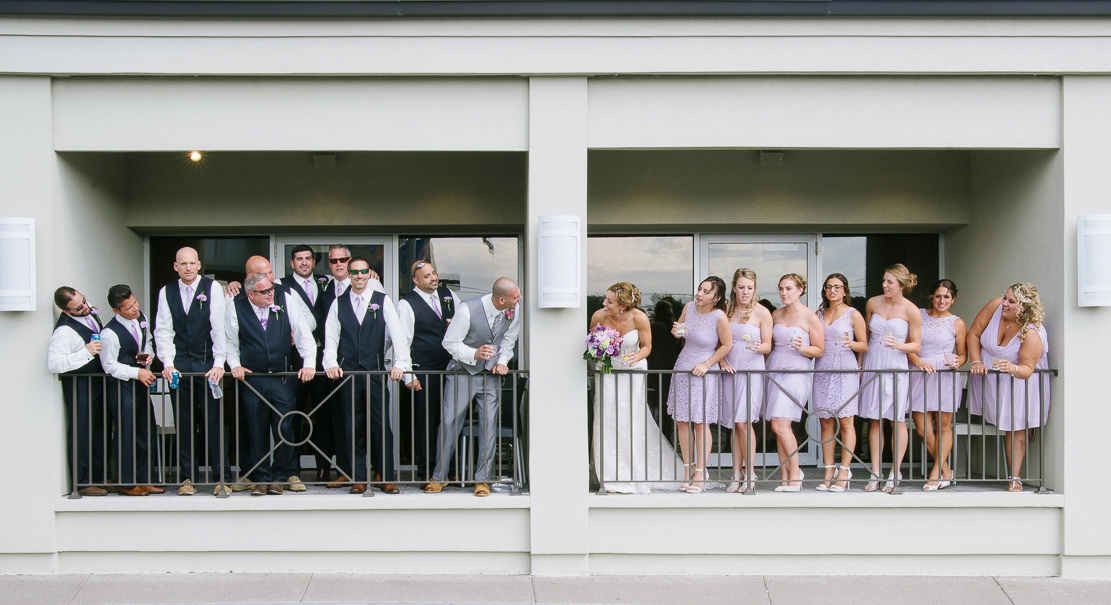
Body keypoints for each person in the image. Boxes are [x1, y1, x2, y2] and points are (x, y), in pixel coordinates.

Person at [425, 277, 523, 497]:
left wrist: (502, 362)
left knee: (489, 424)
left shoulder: (514, 310)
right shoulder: (467, 309)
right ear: (501, 299)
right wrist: (474, 354)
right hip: (462, 372)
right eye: (516, 296)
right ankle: (439, 476)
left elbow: (509, 340)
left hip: (490, 375)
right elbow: (449, 342)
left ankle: (483, 480)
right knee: (450, 421)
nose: (520, 299)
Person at [323, 257, 411, 494]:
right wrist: (331, 363)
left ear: (368, 273)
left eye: (363, 271)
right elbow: (331, 338)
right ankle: (358, 478)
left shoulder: (382, 300)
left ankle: (385, 477)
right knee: (352, 426)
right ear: (348, 275)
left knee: (381, 425)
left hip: (375, 373)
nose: (359, 276)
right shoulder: (338, 303)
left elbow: (399, 335)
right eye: (355, 272)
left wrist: (401, 364)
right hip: (348, 374)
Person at [225, 272, 317, 496]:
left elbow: (303, 333)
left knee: (284, 427)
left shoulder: (286, 300)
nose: (271, 294)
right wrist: (235, 365)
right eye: (265, 291)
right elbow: (229, 342)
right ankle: (262, 477)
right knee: (256, 429)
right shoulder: (236, 308)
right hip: (253, 379)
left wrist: (309, 363)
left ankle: (280, 476)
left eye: (271, 289)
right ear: (251, 294)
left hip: (281, 377)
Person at [590, 281, 681, 494]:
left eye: (609, 302)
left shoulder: (639, 317)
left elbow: (647, 346)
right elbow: (593, 343)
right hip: (608, 373)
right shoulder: (599, 316)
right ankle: (610, 476)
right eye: (605, 299)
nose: (604, 304)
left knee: (630, 420)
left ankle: (633, 472)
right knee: (607, 419)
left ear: (623, 306)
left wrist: (636, 356)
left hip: (632, 373)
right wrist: (598, 351)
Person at [153, 247, 230, 496]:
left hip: (207, 365)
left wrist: (219, 362)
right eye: (183, 264)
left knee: (213, 421)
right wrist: (168, 363)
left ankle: (222, 478)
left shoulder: (212, 288)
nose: (188, 268)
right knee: (184, 422)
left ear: (199, 265)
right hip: (180, 366)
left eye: (192, 263)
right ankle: (188, 478)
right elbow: (163, 330)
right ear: (176, 266)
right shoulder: (166, 291)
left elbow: (219, 327)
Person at [967, 282, 1049, 492]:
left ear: (1024, 306)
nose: (1004, 303)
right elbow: (973, 334)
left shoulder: (1032, 332)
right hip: (990, 378)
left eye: (1011, 301)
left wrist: (1013, 368)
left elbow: (1027, 368)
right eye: (1005, 297)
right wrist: (976, 361)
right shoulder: (995, 306)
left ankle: (1015, 478)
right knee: (1000, 421)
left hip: (1019, 382)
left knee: (1015, 427)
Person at [859, 264, 922, 492]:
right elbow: (865, 337)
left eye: (890, 282)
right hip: (873, 362)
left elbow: (917, 344)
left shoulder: (911, 310)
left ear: (901, 285)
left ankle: (895, 472)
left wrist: (900, 345)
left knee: (897, 419)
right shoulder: (873, 303)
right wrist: (860, 365)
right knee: (875, 420)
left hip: (895, 363)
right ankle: (875, 472)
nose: (885, 285)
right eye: (884, 281)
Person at [396, 260, 460, 484]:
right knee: (426, 423)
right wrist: (408, 375)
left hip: (451, 370)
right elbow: (402, 343)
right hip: (423, 371)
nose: (433, 278)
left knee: (450, 420)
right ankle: (427, 472)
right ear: (416, 281)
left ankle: (451, 469)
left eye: (434, 273)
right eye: (427, 276)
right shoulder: (407, 304)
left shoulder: (448, 295)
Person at [666, 276, 732, 494]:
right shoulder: (689, 307)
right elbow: (680, 331)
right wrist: (676, 332)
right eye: (700, 289)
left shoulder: (719, 317)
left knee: (700, 422)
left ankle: (701, 472)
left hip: (705, 369)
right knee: (682, 420)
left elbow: (727, 346)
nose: (700, 294)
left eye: (706, 291)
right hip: (684, 365)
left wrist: (707, 364)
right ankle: (688, 469)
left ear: (717, 297)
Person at [278, 245, 334, 485]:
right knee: (292, 413)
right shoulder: (280, 285)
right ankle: (292, 469)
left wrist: (372, 275)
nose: (303, 263)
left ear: (314, 262)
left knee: (324, 415)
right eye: (299, 259)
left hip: (322, 358)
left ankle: (323, 468)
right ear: (292, 263)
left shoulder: (326, 282)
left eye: (308, 258)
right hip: (295, 359)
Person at [764, 273, 824, 492]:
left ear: (800, 290)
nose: (784, 293)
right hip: (774, 370)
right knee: (780, 426)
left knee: (779, 425)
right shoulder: (776, 314)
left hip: (796, 371)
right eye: (781, 288)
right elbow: (769, 343)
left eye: (789, 288)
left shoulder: (810, 317)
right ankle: (785, 476)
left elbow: (819, 349)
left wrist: (802, 348)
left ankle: (796, 472)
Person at [100, 285, 161, 496]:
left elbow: (147, 341)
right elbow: (109, 366)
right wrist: (136, 372)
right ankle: (127, 483)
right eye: (129, 307)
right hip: (122, 386)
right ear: (116, 311)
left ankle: (145, 479)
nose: (135, 309)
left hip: (140, 385)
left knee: (147, 431)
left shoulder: (141, 317)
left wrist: (149, 355)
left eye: (135, 303)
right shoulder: (109, 334)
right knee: (127, 434)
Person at [47, 287, 108, 496]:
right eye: (79, 308)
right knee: (82, 430)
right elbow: (54, 363)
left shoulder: (88, 312)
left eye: (84, 301)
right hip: (80, 384)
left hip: (98, 382)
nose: (85, 307)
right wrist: (86, 352)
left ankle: (100, 477)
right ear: (66, 311)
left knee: (100, 429)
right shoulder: (64, 331)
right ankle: (82, 481)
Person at [908, 279, 967, 491]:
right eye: (938, 296)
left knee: (943, 426)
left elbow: (963, 354)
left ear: (953, 299)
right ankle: (946, 470)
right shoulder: (918, 315)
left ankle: (935, 472)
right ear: (932, 297)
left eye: (947, 297)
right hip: (920, 372)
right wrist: (919, 363)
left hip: (944, 374)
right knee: (922, 429)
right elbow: (909, 346)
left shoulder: (957, 323)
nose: (942, 301)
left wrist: (957, 362)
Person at [812, 273, 866, 493]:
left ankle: (844, 470)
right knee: (825, 421)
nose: (832, 290)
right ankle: (828, 470)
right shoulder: (819, 313)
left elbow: (864, 345)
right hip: (823, 368)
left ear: (845, 290)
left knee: (846, 421)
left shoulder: (853, 314)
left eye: (837, 287)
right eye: (828, 287)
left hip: (845, 368)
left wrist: (851, 343)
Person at [720, 269, 772, 493]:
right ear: (734, 287)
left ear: (754, 289)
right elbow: (717, 342)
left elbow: (768, 345)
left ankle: (750, 473)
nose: (745, 292)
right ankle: (736, 474)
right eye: (741, 287)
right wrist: (722, 362)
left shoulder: (762, 312)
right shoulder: (725, 310)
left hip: (752, 371)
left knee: (744, 422)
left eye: (749, 288)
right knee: (735, 424)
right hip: (730, 371)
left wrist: (760, 347)